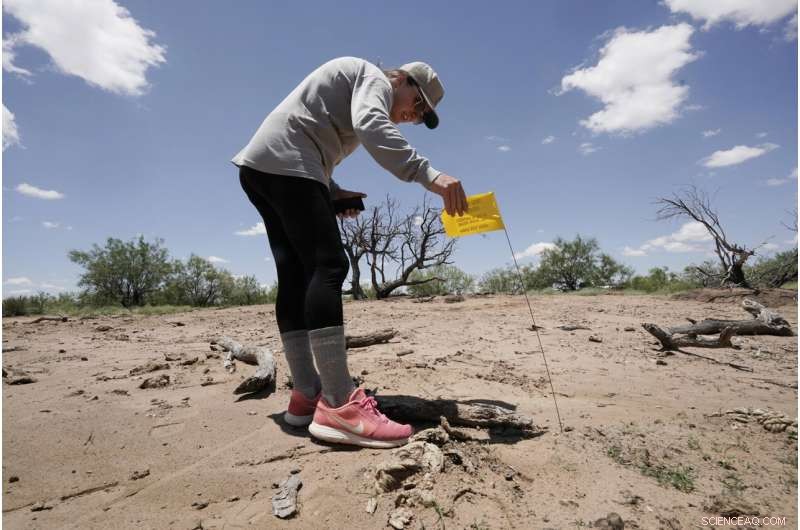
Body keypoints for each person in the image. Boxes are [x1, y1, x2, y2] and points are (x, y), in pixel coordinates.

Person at [232, 56, 467, 448]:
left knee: (295, 275)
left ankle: (306, 395)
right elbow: (371, 126)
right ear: (401, 79)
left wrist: (332, 190)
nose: (414, 116)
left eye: (422, 116)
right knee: (329, 266)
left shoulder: (356, 88)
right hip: (289, 161)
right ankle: (341, 405)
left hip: (262, 166)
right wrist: (430, 175)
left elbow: (309, 130)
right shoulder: (373, 77)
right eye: (418, 103)